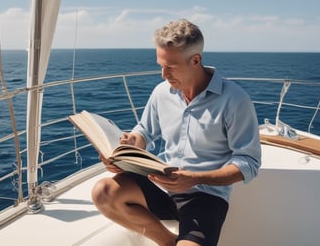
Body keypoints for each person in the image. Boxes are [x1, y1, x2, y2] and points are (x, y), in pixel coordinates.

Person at [92, 19, 261, 246]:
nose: (163, 74)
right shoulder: (162, 93)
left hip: (205, 196)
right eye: (160, 65)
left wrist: (194, 179)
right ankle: (167, 242)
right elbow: (144, 131)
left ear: (195, 60)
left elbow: (248, 163)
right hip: (161, 185)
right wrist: (130, 144)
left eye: (170, 66)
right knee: (103, 192)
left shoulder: (234, 100)